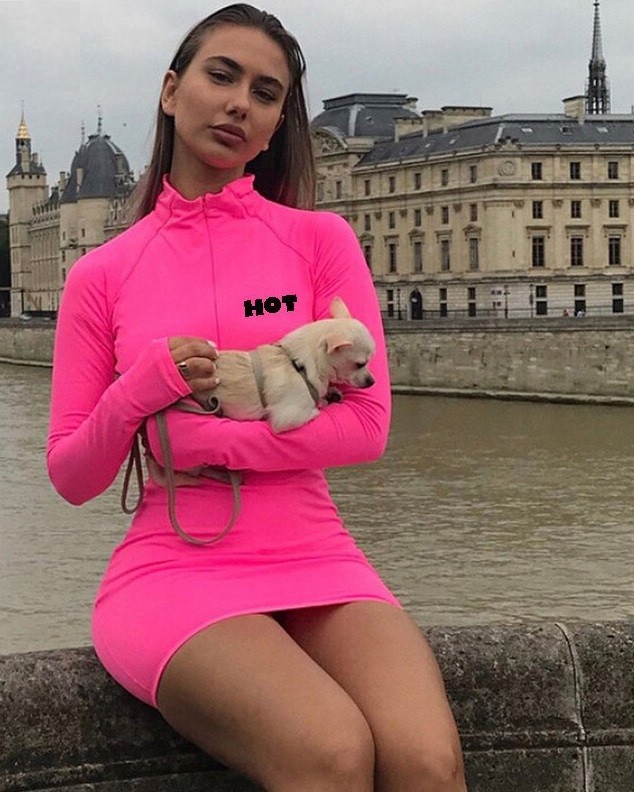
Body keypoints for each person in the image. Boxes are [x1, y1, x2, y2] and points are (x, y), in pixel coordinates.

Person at [47, 5, 468, 790]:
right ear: (171, 91)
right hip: (174, 566)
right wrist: (137, 393)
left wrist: (199, 441)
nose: (240, 102)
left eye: (266, 93)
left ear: (276, 127)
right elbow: (72, 475)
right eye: (222, 75)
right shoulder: (100, 275)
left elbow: (368, 426)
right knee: (328, 750)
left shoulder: (319, 241)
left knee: (427, 759)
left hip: (315, 551)